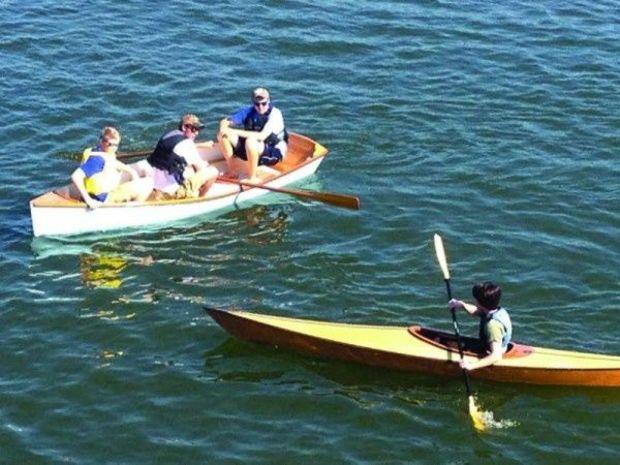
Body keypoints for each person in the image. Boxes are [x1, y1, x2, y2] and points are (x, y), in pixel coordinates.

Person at [217, 87, 288, 183]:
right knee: (223, 135)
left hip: (273, 152)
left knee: (251, 142)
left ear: (269, 101)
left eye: (264, 103)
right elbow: (226, 121)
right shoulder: (249, 111)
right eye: (257, 104)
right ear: (253, 103)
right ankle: (232, 171)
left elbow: (261, 136)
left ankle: (252, 178)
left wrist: (234, 131)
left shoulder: (275, 114)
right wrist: (223, 128)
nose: (260, 107)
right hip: (253, 149)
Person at [71, 127, 153, 209]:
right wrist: (89, 200)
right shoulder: (97, 160)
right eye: (111, 144)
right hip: (103, 197)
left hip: (102, 185)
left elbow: (111, 162)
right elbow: (76, 176)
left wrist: (131, 171)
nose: (114, 148)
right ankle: (135, 208)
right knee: (149, 182)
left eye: (116, 145)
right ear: (102, 141)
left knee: (140, 167)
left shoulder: (95, 150)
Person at [147, 114, 219, 198]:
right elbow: (201, 169)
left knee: (187, 169)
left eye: (198, 129)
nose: (196, 133)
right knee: (213, 171)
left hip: (155, 185)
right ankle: (200, 198)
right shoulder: (187, 144)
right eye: (194, 129)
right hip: (171, 192)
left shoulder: (169, 135)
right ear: (184, 127)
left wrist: (200, 145)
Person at [448, 281, 512, 372]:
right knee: (450, 342)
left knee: (447, 344)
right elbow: (477, 311)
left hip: (490, 352)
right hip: (492, 345)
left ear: (479, 302)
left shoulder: (493, 326)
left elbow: (496, 356)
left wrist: (471, 366)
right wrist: (461, 305)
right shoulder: (497, 310)